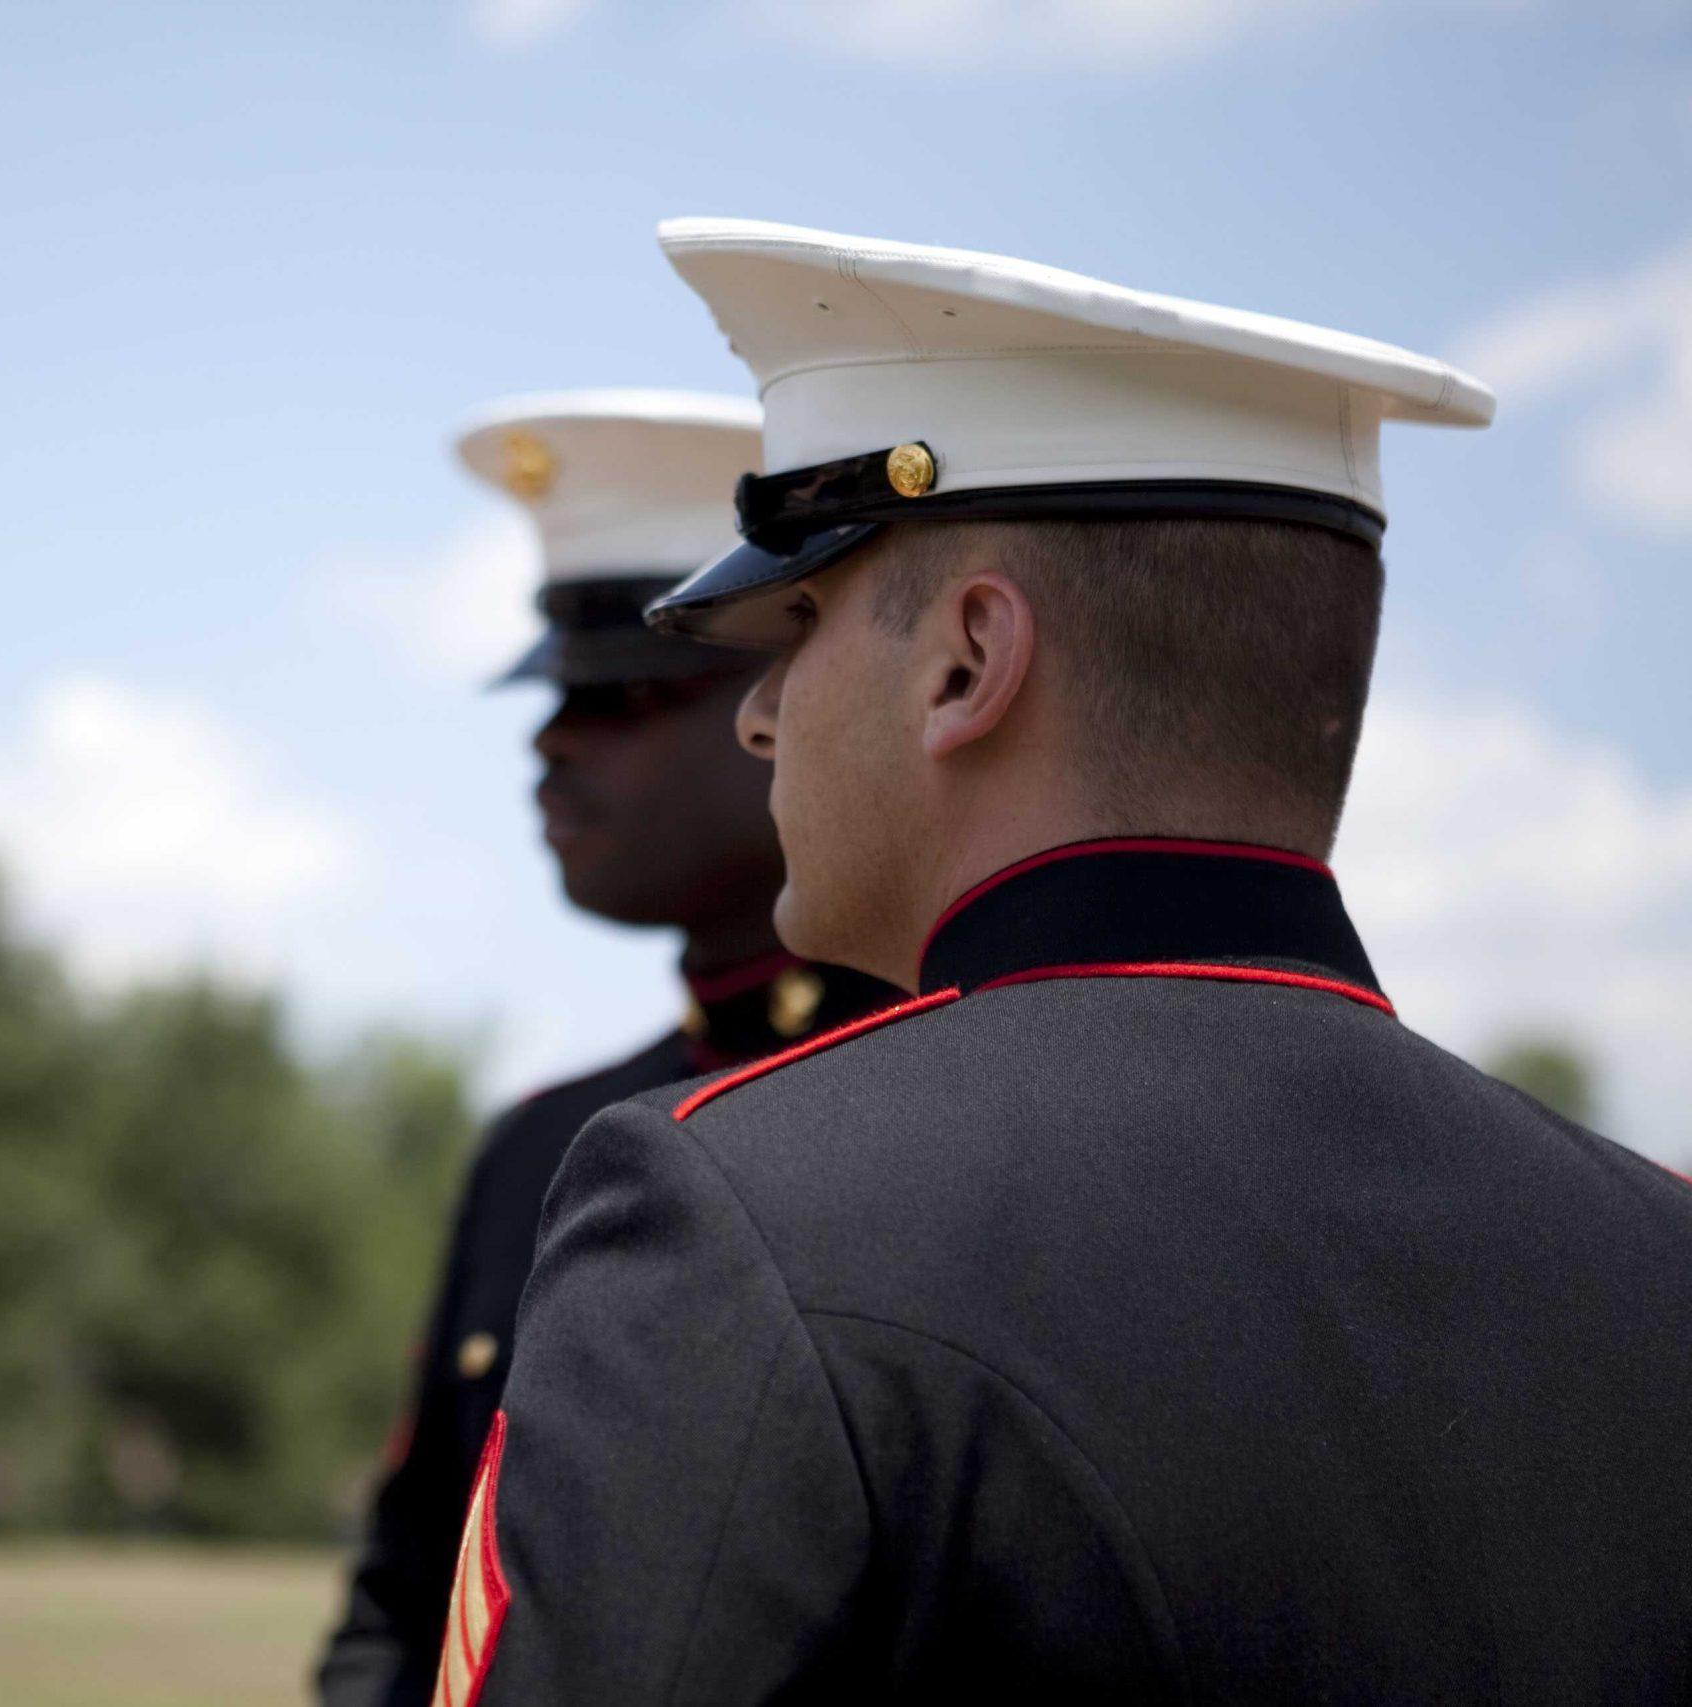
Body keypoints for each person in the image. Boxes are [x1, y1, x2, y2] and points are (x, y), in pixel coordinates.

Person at [440, 223, 1692, 1704]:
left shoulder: (742, 1210)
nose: (762, 709)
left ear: (968, 660)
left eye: (802, 614)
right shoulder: (1655, 1251)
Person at [316, 391, 903, 1707]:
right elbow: (406, 1602)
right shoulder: (541, 1141)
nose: (550, 737)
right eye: (553, 687)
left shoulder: (957, 1096)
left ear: (784, 695)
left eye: (624, 690)